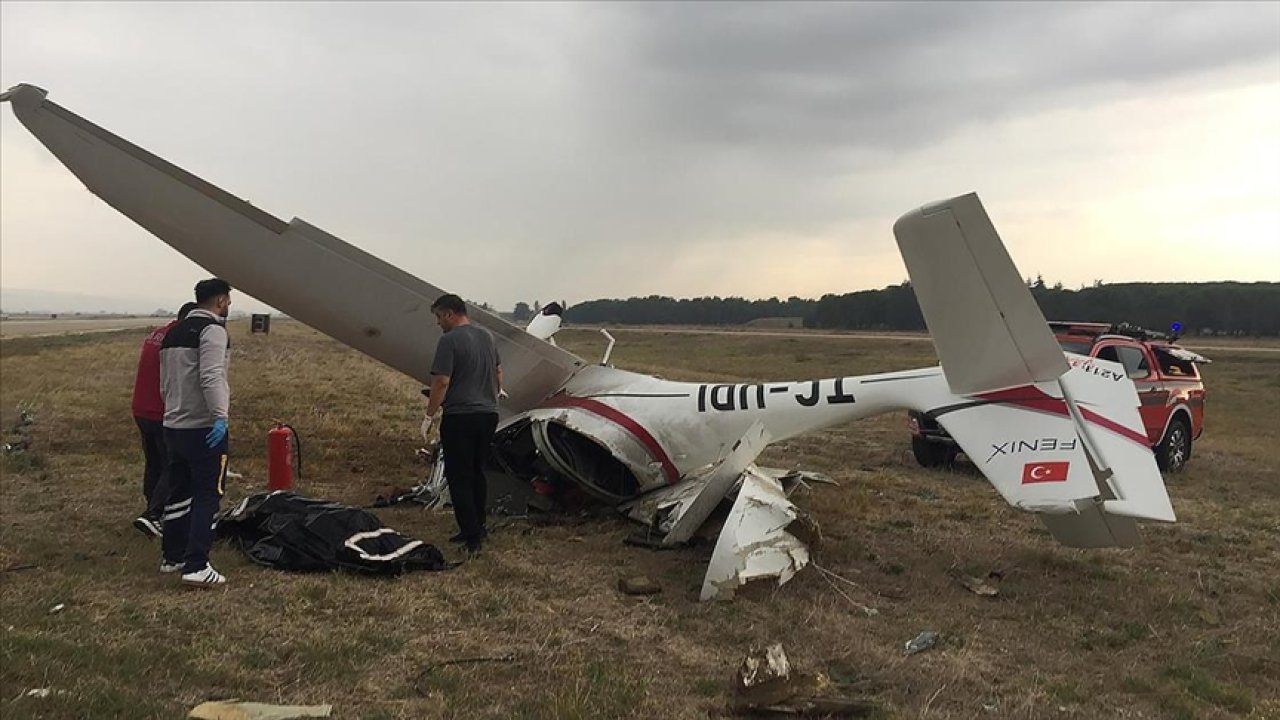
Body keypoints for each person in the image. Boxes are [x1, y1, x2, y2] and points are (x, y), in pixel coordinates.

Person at [158, 278, 233, 587]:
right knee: (207, 496)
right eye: (228, 300)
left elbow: (165, 382)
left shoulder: (172, 332)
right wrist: (220, 417)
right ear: (221, 301)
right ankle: (197, 564)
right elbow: (212, 375)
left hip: (173, 424)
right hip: (203, 427)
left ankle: (171, 557)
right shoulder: (213, 330)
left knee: (178, 492)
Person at [422, 294, 502, 553]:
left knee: (459, 476)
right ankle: (479, 526)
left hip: (460, 417)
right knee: (478, 473)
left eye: (438, 317)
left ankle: (471, 537)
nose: (437, 323)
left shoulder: (448, 341)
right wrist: (493, 393)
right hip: (488, 414)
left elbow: (441, 382)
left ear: (448, 314)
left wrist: (429, 414)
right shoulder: (487, 337)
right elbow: (498, 372)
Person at [131, 302, 197, 538]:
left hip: (141, 408)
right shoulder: (179, 339)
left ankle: (151, 509)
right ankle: (154, 514)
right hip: (162, 411)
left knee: (154, 463)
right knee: (174, 463)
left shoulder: (156, 334)